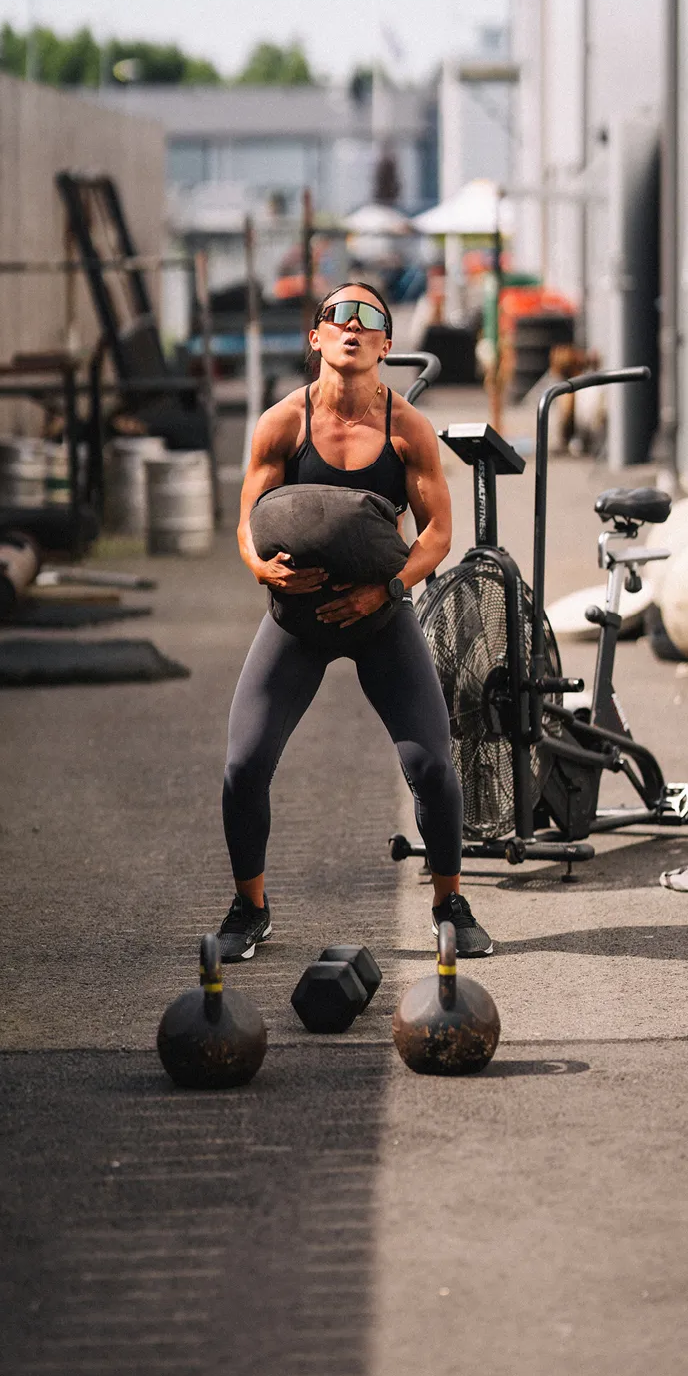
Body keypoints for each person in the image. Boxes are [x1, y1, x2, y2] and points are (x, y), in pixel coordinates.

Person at [212, 281, 492, 962]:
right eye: (337, 314)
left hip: (377, 618)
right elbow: (247, 521)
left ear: (386, 345)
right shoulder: (281, 423)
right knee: (244, 766)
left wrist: (387, 590)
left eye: (370, 318)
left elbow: (437, 534)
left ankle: (449, 902)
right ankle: (251, 909)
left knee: (431, 766)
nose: (352, 325)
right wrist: (261, 568)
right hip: (297, 618)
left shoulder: (407, 430)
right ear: (315, 337)